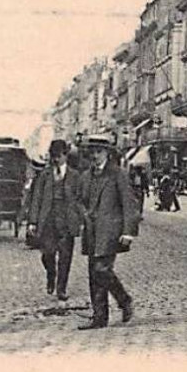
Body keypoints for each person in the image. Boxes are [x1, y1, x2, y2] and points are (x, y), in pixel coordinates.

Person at [78, 134, 141, 329]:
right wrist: (84, 214)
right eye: (92, 152)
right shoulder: (85, 176)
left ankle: (124, 300)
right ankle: (99, 317)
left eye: (99, 152)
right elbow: (80, 200)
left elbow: (129, 203)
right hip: (92, 231)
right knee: (93, 273)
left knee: (101, 270)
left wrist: (128, 231)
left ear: (107, 153)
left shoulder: (118, 174)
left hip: (111, 230)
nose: (95, 156)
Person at [30, 139, 81, 300]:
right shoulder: (44, 175)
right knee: (48, 254)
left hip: (67, 220)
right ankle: (51, 274)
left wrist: (80, 219)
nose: (55, 160)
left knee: (66, 256)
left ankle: (61, 288)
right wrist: (33, 221)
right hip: (49, 220)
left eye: (58, 156)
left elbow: (80, 199)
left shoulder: (75, 175)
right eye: (53, 156)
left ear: (66, 155)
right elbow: (36, 198)